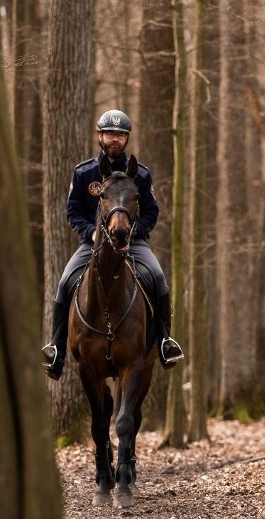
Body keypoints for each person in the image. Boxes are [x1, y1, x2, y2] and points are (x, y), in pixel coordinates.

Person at [42, 109, 184, 380]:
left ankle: (165, 343)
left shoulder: (140, 175)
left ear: (126, 138)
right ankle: (56, 348)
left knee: (158, 278)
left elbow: (152, 211)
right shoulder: (84, 173)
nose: (115, 139)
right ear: (100, 136)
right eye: (110, 134)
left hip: (134, 243)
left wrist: (134, 233)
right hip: (93, 243)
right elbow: (73, 211)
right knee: (64, 282)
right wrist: (91, 233)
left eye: (120, 135)